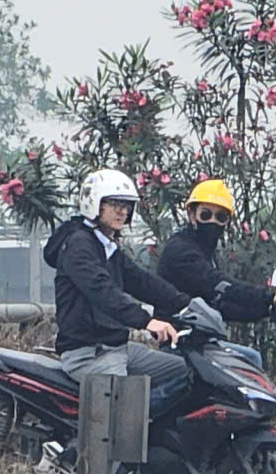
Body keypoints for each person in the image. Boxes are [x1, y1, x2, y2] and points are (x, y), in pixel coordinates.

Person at [42, 168, 194, 418]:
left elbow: (142, 281)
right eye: (114, 204)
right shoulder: (79, 245)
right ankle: (82, 455)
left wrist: (187, 305)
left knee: (184, 370)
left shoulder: (107, 246)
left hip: (117, 347)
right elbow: (102, 291)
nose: (122, 211)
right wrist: (147, 321)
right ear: (94, 204)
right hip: (89, 353)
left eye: (126, 205)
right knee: (121, 421)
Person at [156, 178, 276, 322]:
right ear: (192, 215)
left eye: (220, 217)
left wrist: (270, 309)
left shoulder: (204, 251)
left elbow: (220, 306)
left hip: (199, 334)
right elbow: (219, 284)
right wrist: (269, 297)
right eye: (206, 215)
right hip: (176, 335)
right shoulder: (181, 249)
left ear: (226, 222)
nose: (212, 221)